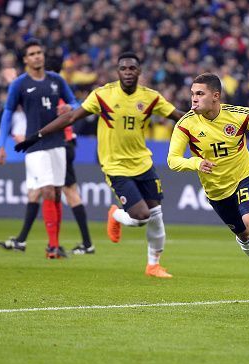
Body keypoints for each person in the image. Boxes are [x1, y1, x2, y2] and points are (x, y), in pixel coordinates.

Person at [15, 52, 185, 277]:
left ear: (139, 71)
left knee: (156, 214)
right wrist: (37, 135)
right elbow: (71, 118)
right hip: (115, 166)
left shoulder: (151, 97)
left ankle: (153, 265)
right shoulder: (103, 95)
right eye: (123, 68)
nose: (127, 73)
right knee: (141, 216)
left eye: (131, 69)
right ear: (117, 71)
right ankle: (115, 214)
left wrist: (207, 120)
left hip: (143, 163)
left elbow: (178, 117)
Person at [167, 72, 249, 304]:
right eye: (192, 94)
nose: (193, 99)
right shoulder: (186, 124)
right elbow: (173, 160)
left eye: (200, 94)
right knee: (243, 234)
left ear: (215, 96)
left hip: (244, 176)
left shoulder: (240, 116)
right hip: (216, 190)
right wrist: (196, 162)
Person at [0, 39, 80, 259]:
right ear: (25, 59)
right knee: (46, 191)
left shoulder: (57, 80)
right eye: (32, 53)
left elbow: (77, 104)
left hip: (57, 142)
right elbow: (7, 113)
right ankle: (52, 246)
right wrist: (1, 145)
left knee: (57, 192)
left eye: (39, 52)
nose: (37, 56)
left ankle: (54, 244)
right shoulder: (19, 84)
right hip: (34, 144)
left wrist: (70, 107)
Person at [0, 102, 95, 255]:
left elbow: (50, 126)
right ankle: (22, 240)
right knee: (36, 193)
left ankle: (83, 244)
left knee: (69, 194)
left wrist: (28, 138)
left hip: (58, 146)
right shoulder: (56, 93)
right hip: (61, 145)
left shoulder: (52, 96)